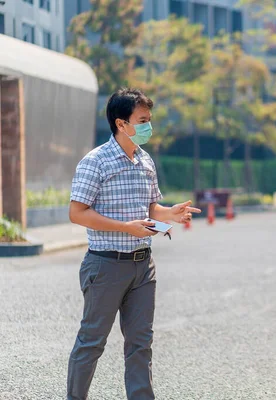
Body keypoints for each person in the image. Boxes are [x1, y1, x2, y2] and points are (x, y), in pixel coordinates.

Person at [67, 88, 200, 399]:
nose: (148, 127)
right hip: (105, 265)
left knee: (140, 343)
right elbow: (77, 212)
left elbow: (151, 207)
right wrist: (125, 228)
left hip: (143, 266)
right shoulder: (95, 162)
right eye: (142, 121)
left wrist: (172, 214)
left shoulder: (145, 161)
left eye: (149, 120)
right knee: (92, 342)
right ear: (121, 123)